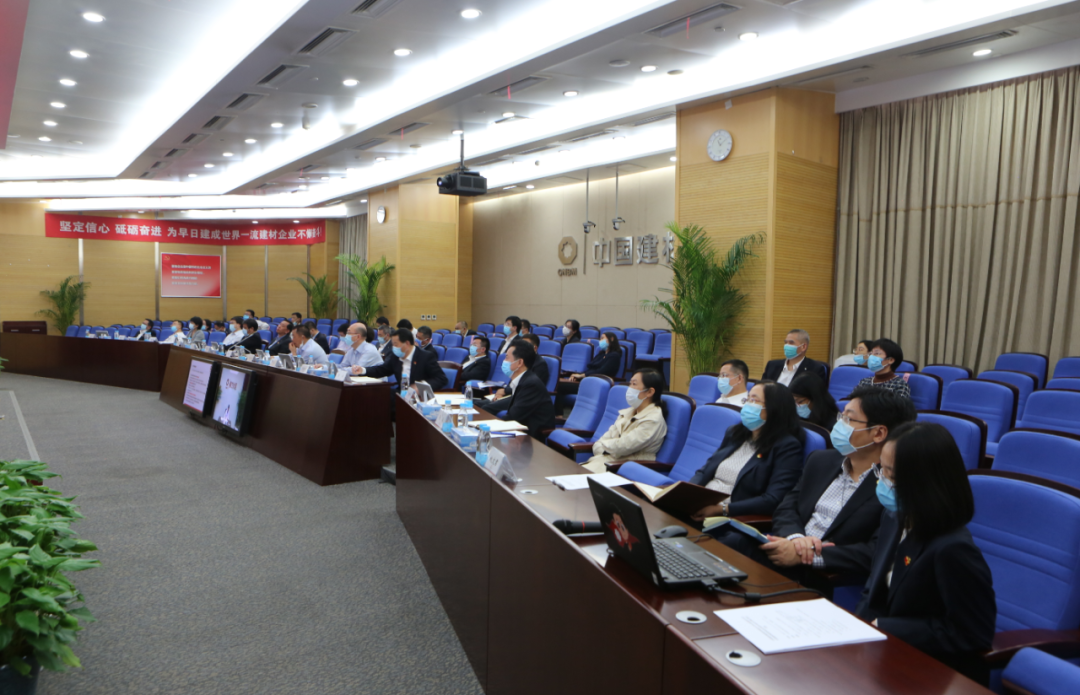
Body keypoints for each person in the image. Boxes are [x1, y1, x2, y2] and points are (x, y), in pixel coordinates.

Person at [711, 387, 916, 594]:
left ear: (878, 433)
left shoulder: (892, 485)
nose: (838, 425)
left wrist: (806, 555)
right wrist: (795, 539)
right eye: (841, 417)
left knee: (731, 553)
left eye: (849, 419)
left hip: (823, 574)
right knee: (726, 543)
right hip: (787, 551)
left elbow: (877, 551)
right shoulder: (821, 460)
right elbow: (787, 507)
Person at [856, 421, 996, 685]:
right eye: (882, 470)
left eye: (892, 475)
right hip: (883, 654)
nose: (883, 481)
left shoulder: (953, 549)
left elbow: (972, 634)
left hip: (932, 673)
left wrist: (885, 627)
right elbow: (874, 589)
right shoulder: (894, 517)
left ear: (926, 483)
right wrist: (855, 630)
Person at [689, 382, 805, 520]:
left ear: (774, 408)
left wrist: (722, 510)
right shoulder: (734, 433)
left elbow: (773, 499)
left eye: (754, 400)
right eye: (748, 399)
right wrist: (686, 492)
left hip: (731, 516)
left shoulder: (787, 446)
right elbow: (705, 470)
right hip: (700, 503)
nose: (748, 405)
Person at [582, 369, 668, 473]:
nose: (629, 388)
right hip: (605, 461)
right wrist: (605, 448)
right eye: (630, 383)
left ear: (649, 392)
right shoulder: (628, 412)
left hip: (624, 469)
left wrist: (604, 447)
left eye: (634, 384)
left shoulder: (653, 420)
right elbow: (601, 441)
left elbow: (623, 447)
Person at [480, 341, 555, 439]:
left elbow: (513, 416)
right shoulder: (524, 379)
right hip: (521, 432)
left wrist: (485, 426)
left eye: (507, 357)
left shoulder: (531, 384)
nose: (504, 361)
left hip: (532, 438)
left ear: (519, 363)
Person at [357, 328, 447, 393]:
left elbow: (441, 379)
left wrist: (421, 386)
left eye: (396, 344)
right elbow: (382, 370)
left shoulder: (425, 357)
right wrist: (363, 370)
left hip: (420, 397)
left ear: (407, 343)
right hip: (401, 394)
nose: (393, 347)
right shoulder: (395, 356)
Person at [761, 329, 829, 386]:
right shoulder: (772, 365)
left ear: (803, 347)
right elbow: (761, 388)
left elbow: (816, 395)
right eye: (786, 342)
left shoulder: (815, 369)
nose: (786, 346)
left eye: (791, 343)